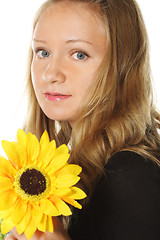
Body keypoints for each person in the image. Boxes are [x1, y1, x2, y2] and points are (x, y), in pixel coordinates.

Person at [6, 0, 160, 239]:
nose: (51, 73)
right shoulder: (78, 167)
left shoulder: (129, 176)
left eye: (79, 54)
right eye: (43, 52)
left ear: (122, 66)